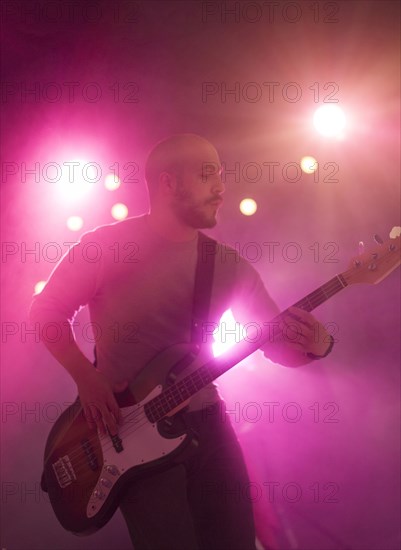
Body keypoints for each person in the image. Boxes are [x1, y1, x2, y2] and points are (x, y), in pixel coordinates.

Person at [29, 134, 334, 550]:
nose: (221, 188)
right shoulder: (105, 247)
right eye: (208, 175)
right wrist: (86, 377)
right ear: (168, 183)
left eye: (221, 176)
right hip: (125, 434)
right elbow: (44, 314)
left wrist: (317, 346)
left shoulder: (227, 265)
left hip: (208, 424)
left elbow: (276, 346)